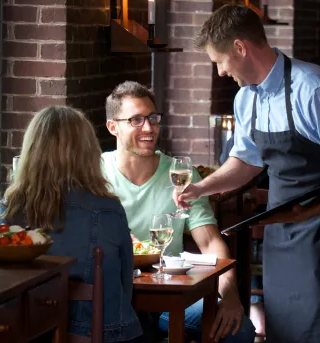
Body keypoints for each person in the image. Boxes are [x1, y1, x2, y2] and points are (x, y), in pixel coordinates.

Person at [177, 4, 320, 343]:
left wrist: (306, 213)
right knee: (282, 330)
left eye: (220, 61)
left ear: (240, 48)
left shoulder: (314, 88)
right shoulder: (245, 99)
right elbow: (247, 163)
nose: (221, 72)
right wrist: (201, 188)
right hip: (280, 236)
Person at [102, 81, 256, 343]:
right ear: (113, 127)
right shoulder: (95, 173)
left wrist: (230, 297)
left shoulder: (180, 175)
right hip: (114, 295)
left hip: (170, 296)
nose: (149, 128)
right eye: (136, 120)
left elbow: (210, 243)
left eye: (152, 118)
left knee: (239, 331)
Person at [0, 106, 143, 343]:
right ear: (88, 153)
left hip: (31, 332)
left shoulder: (11, 207)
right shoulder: (108, 209)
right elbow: (125, 285)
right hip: (104, 334)